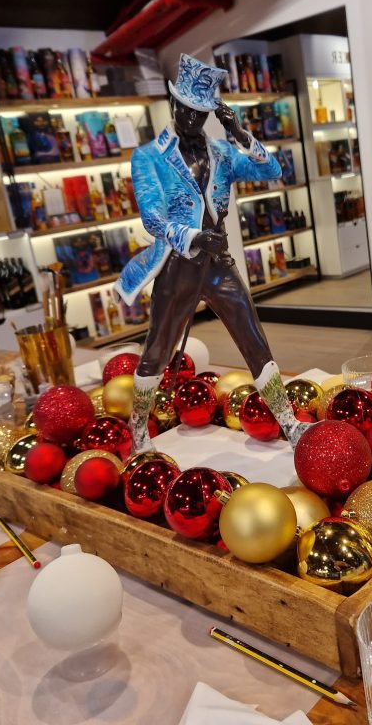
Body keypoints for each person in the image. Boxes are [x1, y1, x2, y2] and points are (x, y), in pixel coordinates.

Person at [116, 54, 306, 452]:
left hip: (219, 265)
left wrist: (239, 132)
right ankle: (137, 432)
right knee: (157, 348)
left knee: (253, 337)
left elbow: (272, 170)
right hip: (178, 266)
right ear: (172, 105)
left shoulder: (221, 152)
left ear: (209, 114)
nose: (189, 119)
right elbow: (152, 218)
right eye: (183, 109)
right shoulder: (149, 156)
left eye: (199, 113)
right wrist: (194, 237)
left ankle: (287, 421)